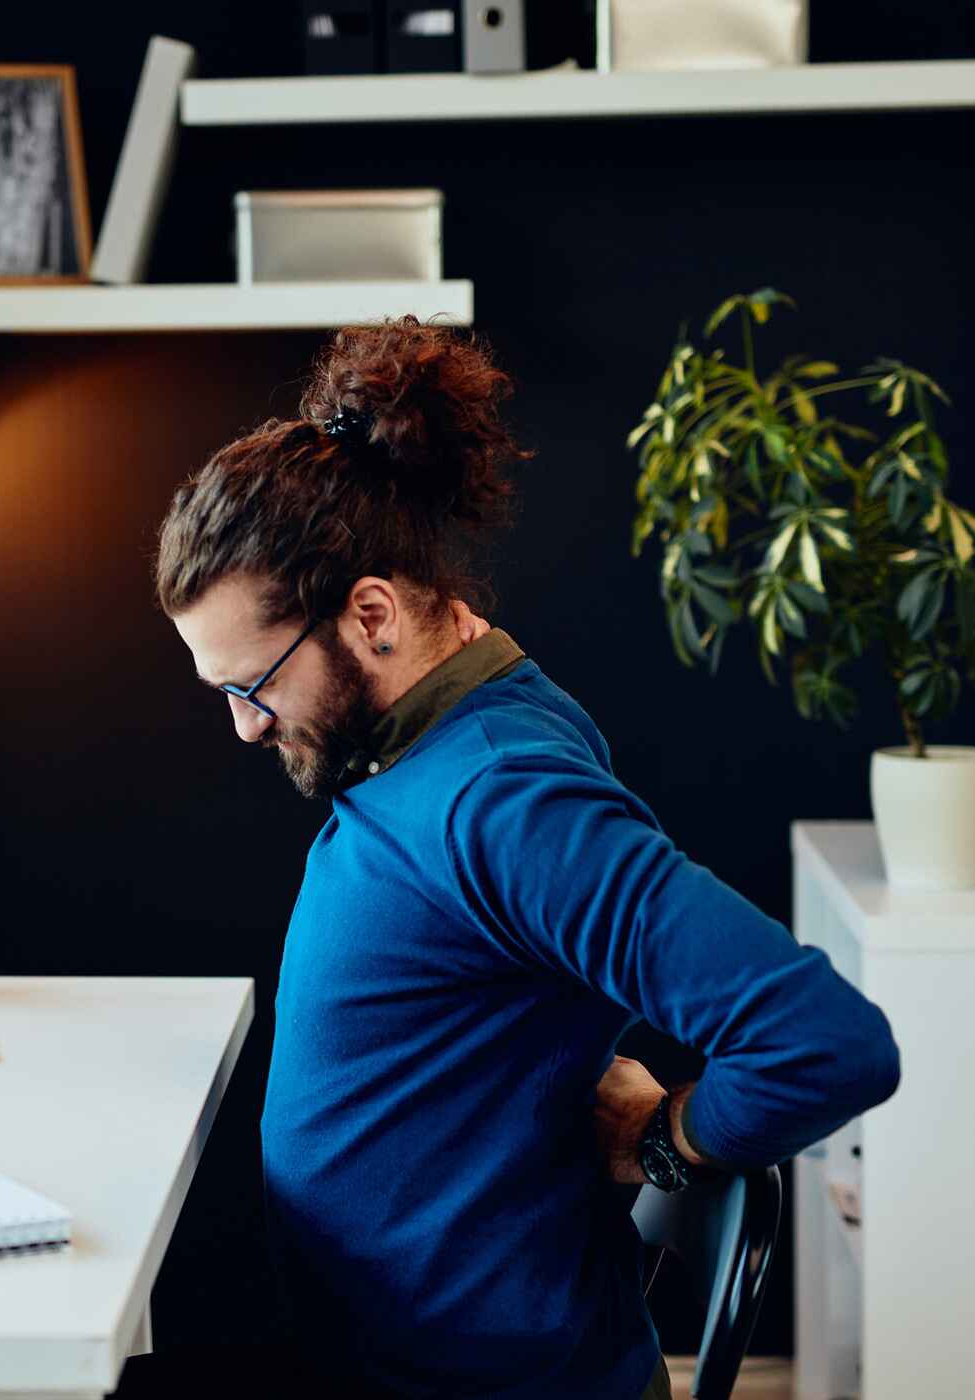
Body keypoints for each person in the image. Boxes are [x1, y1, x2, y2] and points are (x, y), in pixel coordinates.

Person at [122, 319, 901, 1399]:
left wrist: (673, 1138)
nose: (247, 727)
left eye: (253, 684)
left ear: (374, 613)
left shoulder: (503, 795)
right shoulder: (433, 739)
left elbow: (826, 1039)